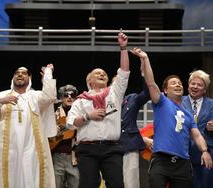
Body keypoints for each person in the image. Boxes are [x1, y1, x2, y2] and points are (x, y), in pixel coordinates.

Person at [131, 47, 212, 188]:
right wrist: (145, 58)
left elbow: (198, 136)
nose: (178, 84)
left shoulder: (188, 114)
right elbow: (150, 82)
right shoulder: (161, 101)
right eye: (173, 83)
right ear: (165, 90)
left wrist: (204, 151)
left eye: (179, 83)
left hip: (183, 164)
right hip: (161, 160)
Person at [66, 31, 130, 188]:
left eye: (104, 74)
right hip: (87, 149)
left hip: (112, 147)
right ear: (89, 81)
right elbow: (70, 123)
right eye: (97, 74)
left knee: (116, 185)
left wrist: (123, 49)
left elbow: (124, 72)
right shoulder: (80, 101)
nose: (102, 74)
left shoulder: (115, 92)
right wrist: (88, 116)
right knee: (88, 185)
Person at [0, 65, 57, 188]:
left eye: (24, 73)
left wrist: (48, 74)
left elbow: (50, 96)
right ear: (13, 77)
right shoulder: (1, 95)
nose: (20, 74)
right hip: (7, 149)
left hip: (31, 148)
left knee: (32, 177)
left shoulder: (36, 96)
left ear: (30, 78)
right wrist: (0, 102)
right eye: (17, 73)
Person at [119, 57, 150, 188]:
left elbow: (147, 93)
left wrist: (144, 74)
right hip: (108, 147)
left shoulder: (131, 98)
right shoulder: (103, 101)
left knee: (131, 182)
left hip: (129, 145)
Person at [182, 70, 213, 188]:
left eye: (199, 85)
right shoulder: (178, 102)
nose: (195, 86)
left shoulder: (211, 104)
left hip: (206, 155)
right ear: (188, 85)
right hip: (183, 153)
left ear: (205, 89)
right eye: (193, 83)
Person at [50, 84, 79, 188]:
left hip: (75, 157)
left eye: (73, 95)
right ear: (61, 98)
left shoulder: (81, 112)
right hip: (56, 156)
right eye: (66, 95)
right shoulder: (52, 112)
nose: (70, 97)